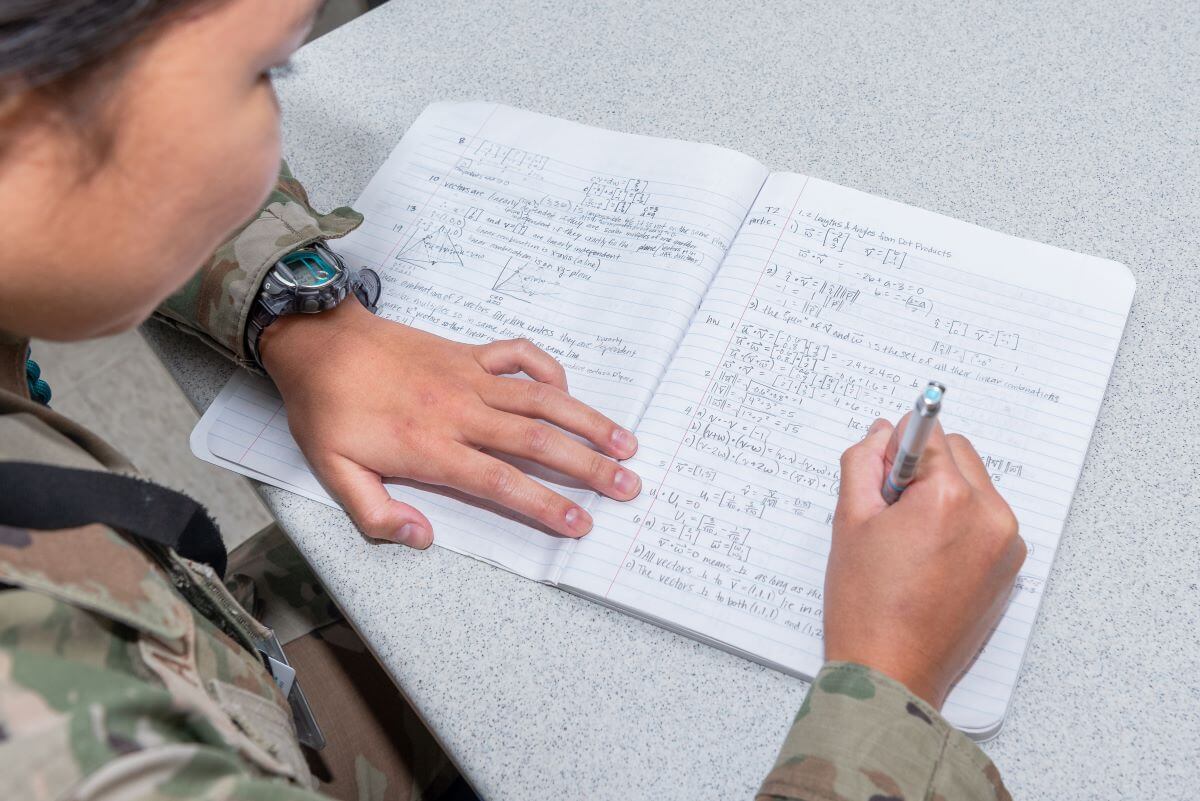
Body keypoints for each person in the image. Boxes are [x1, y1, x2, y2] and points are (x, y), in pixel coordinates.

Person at [0, 2, 1026, 800]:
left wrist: (300, 308)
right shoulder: (69, 753)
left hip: (216, 663)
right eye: (260, 74)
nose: (278, 145)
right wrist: (889, 693)